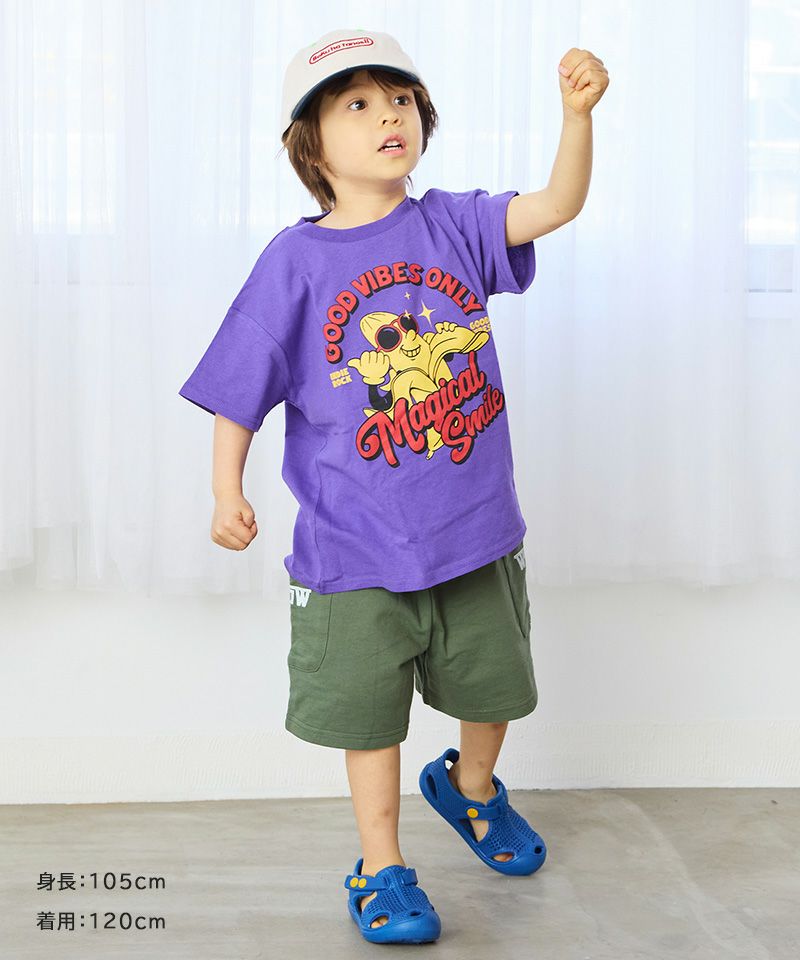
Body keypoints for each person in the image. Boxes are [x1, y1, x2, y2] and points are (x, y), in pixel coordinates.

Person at [179, 27, 608, 946]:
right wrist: (225, 490)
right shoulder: (292, 265)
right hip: (354, 548)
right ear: (311, 144)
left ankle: (472, 787)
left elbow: (557, 204)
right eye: (359, 104)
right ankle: (380, 865)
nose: (389, 117)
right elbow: (238, 387)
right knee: (370, 719)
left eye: (401, 99)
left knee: (496, 689)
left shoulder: (453, 224)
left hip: (475, 530)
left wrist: (576, 118)